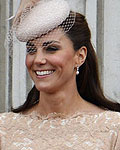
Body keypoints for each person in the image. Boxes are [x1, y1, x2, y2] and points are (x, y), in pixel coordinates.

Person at [0, 0, 120, 149]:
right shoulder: (4, 129)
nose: (38, 60)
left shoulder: (113, 129)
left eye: (51, 48)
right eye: (31, 50)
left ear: (80, 56)